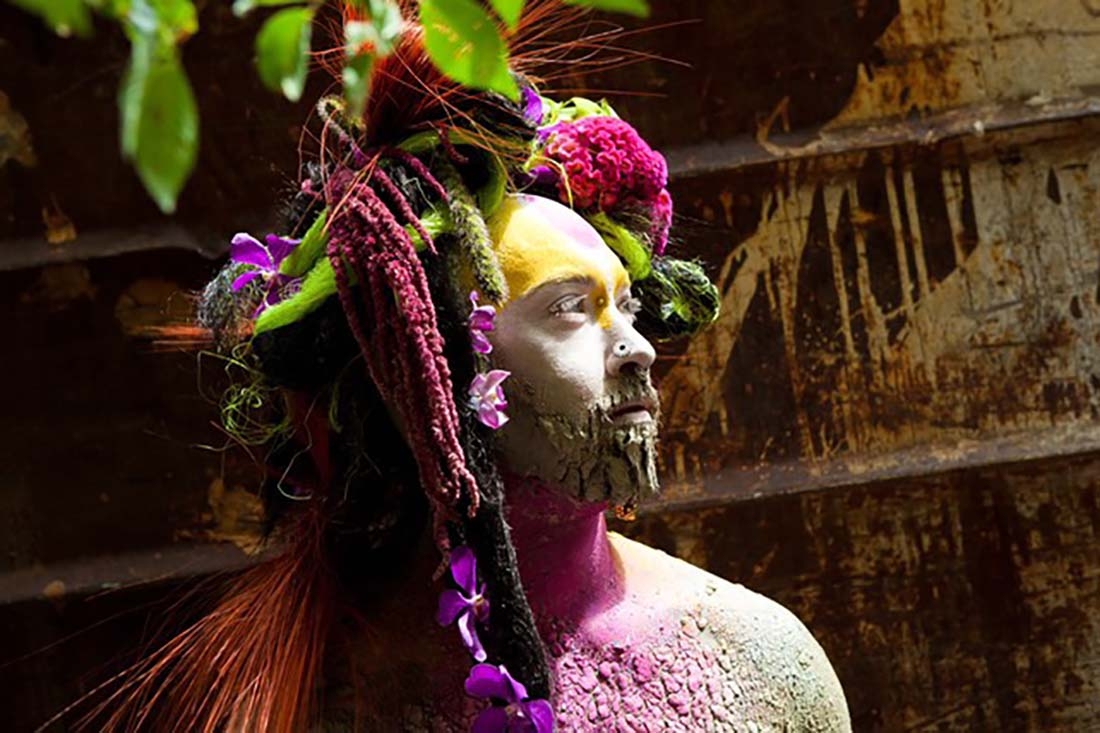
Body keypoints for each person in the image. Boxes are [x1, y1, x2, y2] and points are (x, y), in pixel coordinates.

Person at [80, 11, 850, 733]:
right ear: (434, 364)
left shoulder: (758, 665)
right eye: (569, 310)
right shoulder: (311, 695)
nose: (638, 348)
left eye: (626, 304)